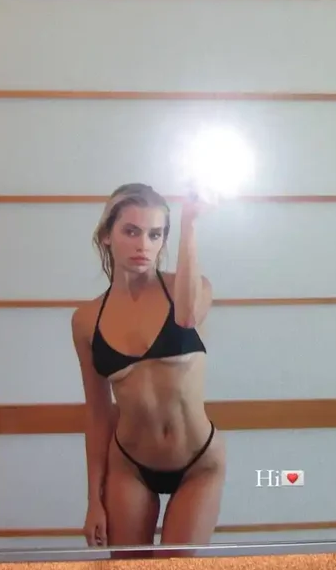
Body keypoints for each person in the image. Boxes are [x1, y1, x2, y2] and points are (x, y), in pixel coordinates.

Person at [72, 182, 226, 553]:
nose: (143, 244)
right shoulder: (86, 320)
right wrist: (94, 499)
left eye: (155, 234)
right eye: (131, 231)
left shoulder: (192, 290)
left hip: (198, 463)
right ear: (106, 235)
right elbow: (98, 414)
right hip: (129, 464)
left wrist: (189, 223)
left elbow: (186, 318)